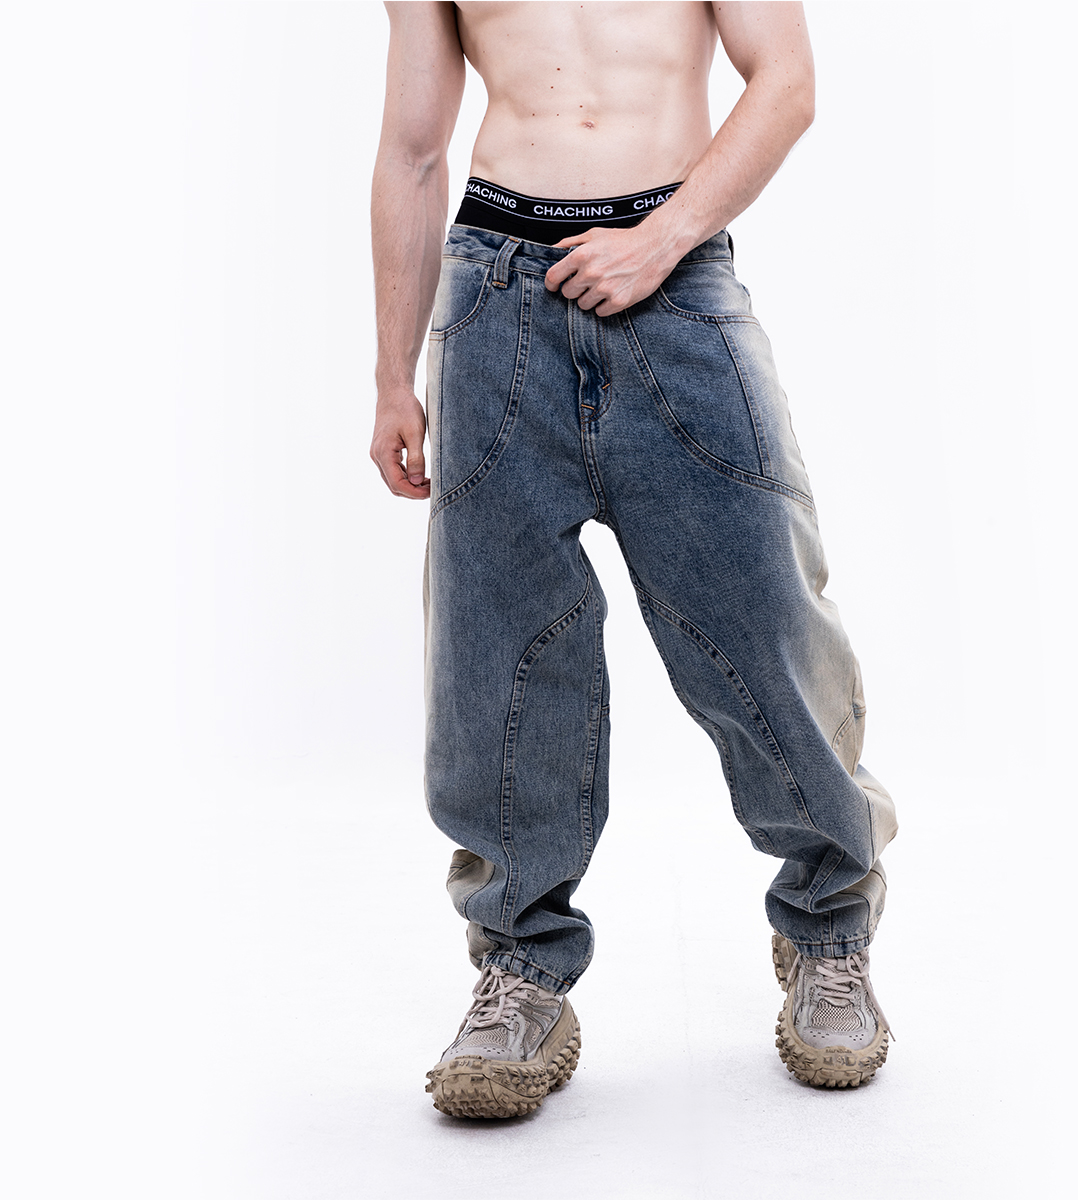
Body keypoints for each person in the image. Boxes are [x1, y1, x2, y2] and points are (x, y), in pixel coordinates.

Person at [370, 1, 898, 1119]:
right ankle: (521, 970)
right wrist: (390, 378)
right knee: (500, 646)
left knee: (765, 616)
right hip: (495, 291)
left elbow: (786, 81)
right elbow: (413, 149)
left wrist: (662, 238)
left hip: (677, 275)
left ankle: (828, 935)